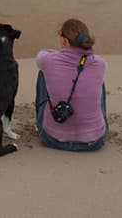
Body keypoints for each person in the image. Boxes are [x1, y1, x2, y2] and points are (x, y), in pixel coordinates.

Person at [35, 18, 108, 151]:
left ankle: (40, 124)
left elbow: (41, 54)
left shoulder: (48, 60)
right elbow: (89, 57)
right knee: (97, 79)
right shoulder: (100, 63)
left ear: (64, 40)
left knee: (43, 73)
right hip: (94, 142)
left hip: (52, 139)